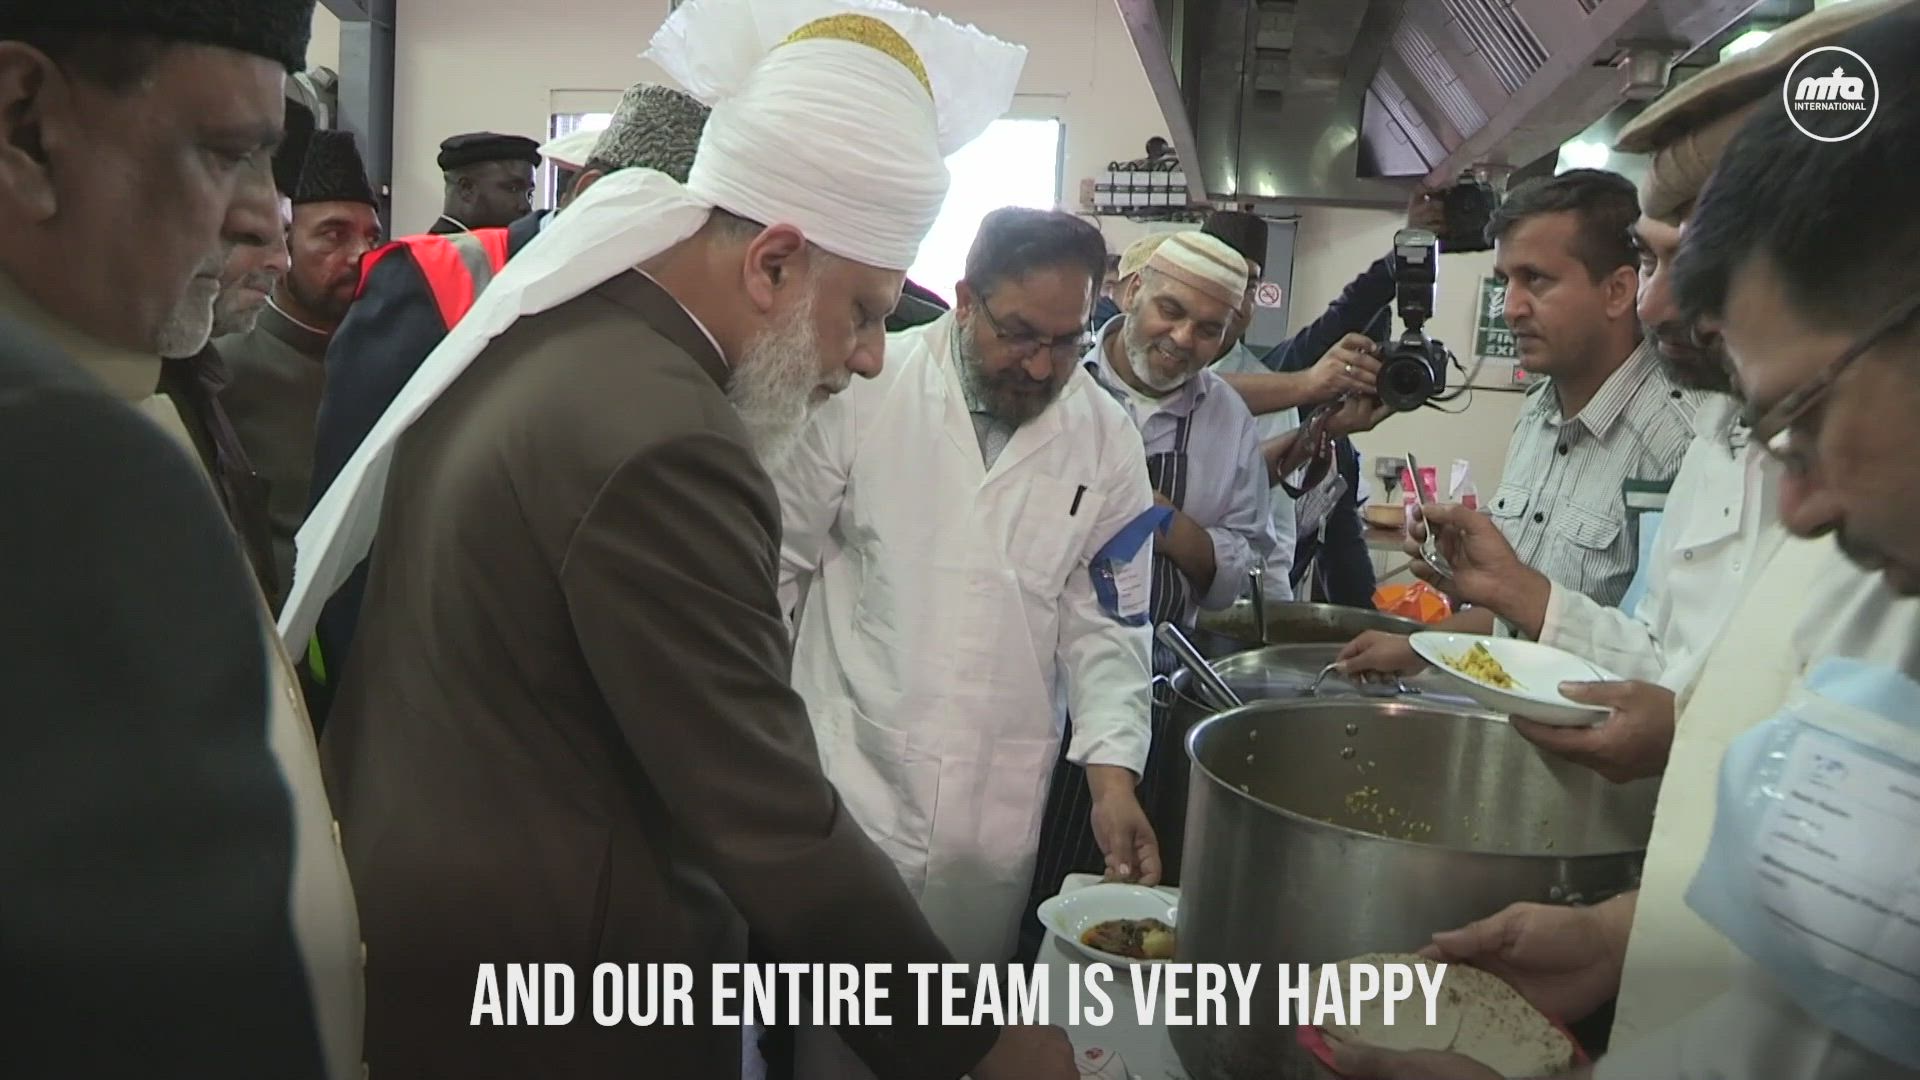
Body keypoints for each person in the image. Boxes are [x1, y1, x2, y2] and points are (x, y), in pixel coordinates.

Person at [284, 2, 1070, 1076]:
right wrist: (973, 1044)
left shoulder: (569, 329)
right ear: (774, 264)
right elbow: (768, 817)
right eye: (866, 312)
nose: (871, 358)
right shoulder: (669, 440)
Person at [1331, 7, 1920, 1078]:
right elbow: (1822, 902)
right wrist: (1618, 939)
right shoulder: (1817, 495)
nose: (1661, 304)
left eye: (1805, 415)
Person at [0, 4, 362, 1078]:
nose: (262, 218)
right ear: (25, 128)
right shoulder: (63, 478)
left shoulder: (136, 403)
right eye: (224, 152)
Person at [773, 209, 1157, 1013]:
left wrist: (1113, 781)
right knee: (834, 1031)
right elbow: (773, 570)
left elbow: (1109, 626)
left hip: (993, 808)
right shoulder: (865, 389)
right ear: (964, 301)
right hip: (850, 781)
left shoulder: (1105, 439)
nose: (1041, 365)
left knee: (966, 1028)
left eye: (1068, 341)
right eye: (1019, 335)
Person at [299, 82, 710, 719]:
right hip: (417, 697)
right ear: (591, 195)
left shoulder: (658, 322)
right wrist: (367, 716)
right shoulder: (430, 283)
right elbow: (355, 522)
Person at [1340, 169, 1697, 672]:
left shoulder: (1684, 441)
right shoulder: (1537, 412)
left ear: (1618, 291)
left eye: (1536, 280)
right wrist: (1422, 644)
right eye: (1505, 281)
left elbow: (1674, 664)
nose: (1510, 308)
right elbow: (1520, 617)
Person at [218, 129, 381, 607]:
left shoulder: (383, 363)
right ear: (284, 241)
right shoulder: (225, 366)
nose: (361, 255)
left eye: (372, 236)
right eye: (334, 234)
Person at [1203, 209, 1300, 601]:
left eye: (1249, 286)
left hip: (1229, 608)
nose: (1237, 302)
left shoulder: (1272, 398)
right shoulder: (1139, 377)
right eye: (1223, 280)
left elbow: (1275, 534)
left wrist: (1272, 620)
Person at [428, 130, 540, 232]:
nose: (526, 206)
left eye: (529, 194)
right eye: (513, 189)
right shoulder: (440, 248)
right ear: (466, 189)